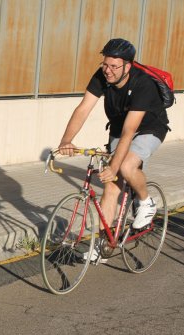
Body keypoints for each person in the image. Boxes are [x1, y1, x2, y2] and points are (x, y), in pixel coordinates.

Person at [57, 38, 169, 262]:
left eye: (114, 66)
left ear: (128, 66)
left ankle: (146, 202)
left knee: (126, 167)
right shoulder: (102, 76)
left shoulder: (143, 84)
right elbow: (83, 109)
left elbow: (131, 130)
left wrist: (114, 166)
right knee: (110, 187)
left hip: (148, 128)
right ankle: (104, 245)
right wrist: (66, 140)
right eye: (105, 65)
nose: (107, 70)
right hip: (119, 129)